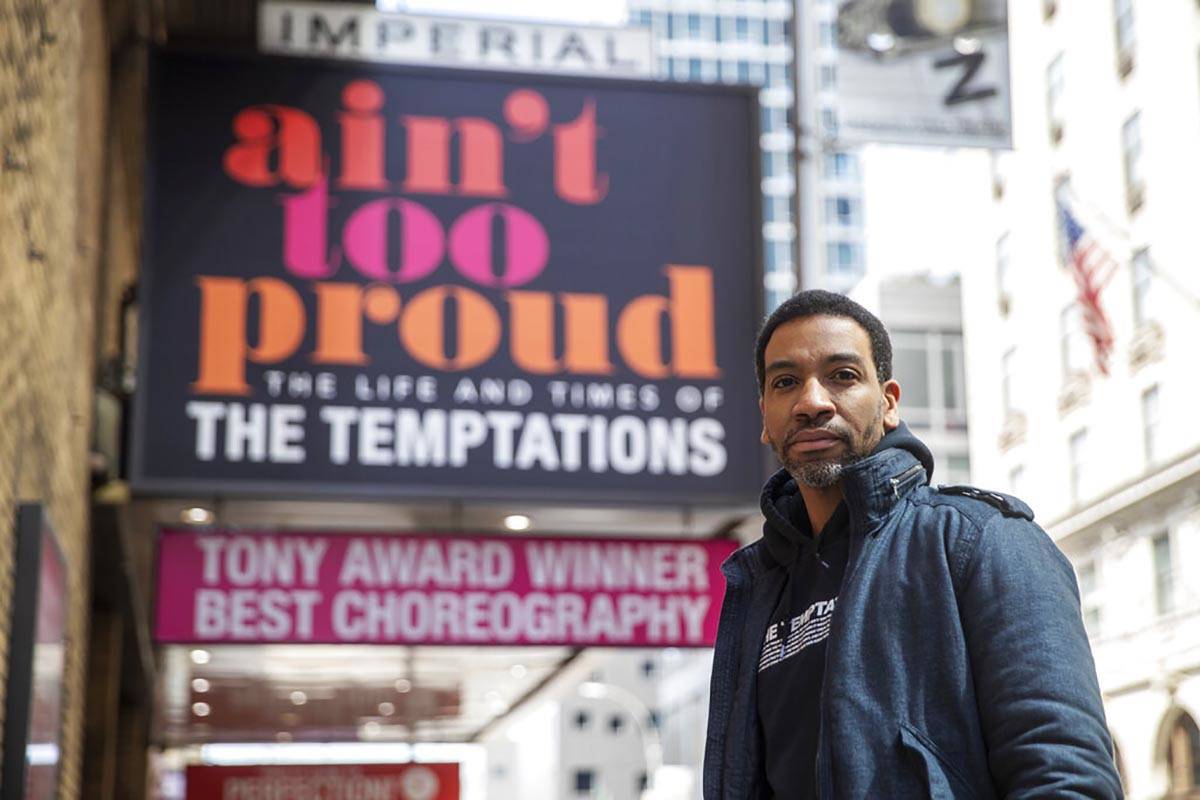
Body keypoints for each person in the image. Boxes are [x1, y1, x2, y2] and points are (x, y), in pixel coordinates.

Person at [703, 290, 1122, 798]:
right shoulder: (759, 588)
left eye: (843, 376)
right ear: (765, 418)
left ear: (889, 403)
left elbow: (1065, 778)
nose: (812, 402)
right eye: (786, 382)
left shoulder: (982, 542)